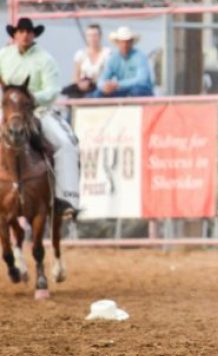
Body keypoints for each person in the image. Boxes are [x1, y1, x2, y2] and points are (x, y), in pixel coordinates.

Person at [0, 18, 80, 217]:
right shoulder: (3, 56)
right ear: (15, 35)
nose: (25, 35)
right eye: (21, 31)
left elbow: (53, 90)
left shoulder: (45, 59)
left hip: (37, 111)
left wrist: (34, 98)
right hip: (8, 110)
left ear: (34, 35)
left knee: (66, 145)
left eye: (29, 32)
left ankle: (66, 199)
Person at [91, 26, 154, 97]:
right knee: (97, 94)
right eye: (122, 42)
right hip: (122, 91)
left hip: (141, 90)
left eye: (127, 42)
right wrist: (105, 86)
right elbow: (102, 79)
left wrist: (118, 84)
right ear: (117, 43)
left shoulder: (140, 57)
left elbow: (142, 80)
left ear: (131, 42)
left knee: (137, 91)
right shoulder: (113, 58)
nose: (124, 45)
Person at [61, 24, 110, 98]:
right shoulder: (80, 54)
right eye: (89, 35)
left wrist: (91, 82)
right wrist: (80, 84)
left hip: (99, 88)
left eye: (95, 35)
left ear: (100, 36)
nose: (92, 38)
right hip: (82, 88)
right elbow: (76, 75)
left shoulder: (107, 53)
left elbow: (108, 74)